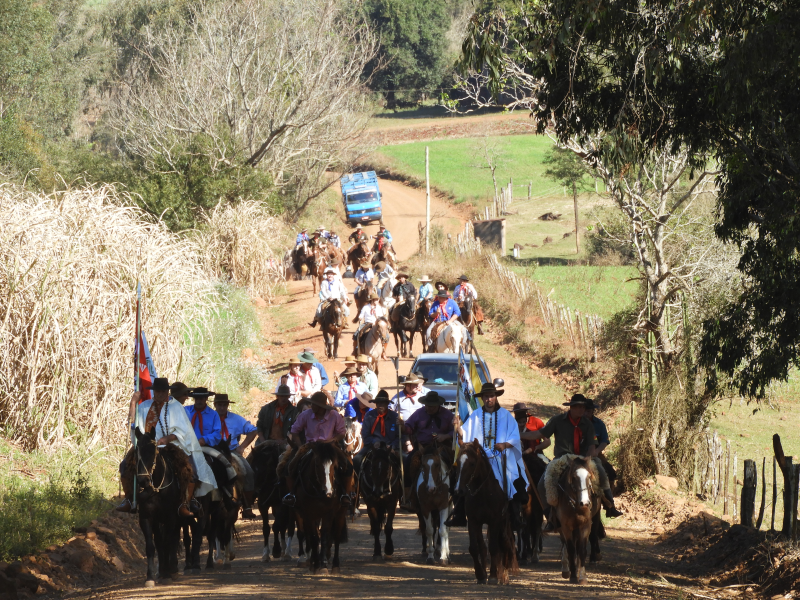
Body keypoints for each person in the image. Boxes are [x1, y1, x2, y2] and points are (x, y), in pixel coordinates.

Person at [521, 394, 622, 531]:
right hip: (562, 459)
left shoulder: (587, 424)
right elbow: (539, 434)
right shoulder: (557, 420)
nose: (582, 410)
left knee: (602, 472)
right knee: (542, 484)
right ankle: (550, 517)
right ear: (572, 408)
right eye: (579, 407)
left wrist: (587, 459)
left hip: (583, 458)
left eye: (583, 407)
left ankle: (610, 505)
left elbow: (592, 445)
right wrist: (518, 435)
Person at [118, 378, 217, 517]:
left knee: (191, 470)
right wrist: (133, 403)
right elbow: (133, 423)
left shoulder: (175, 407)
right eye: (157, 391)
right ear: (154, 391)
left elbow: (183, 430)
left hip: (172, 445)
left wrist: (167, 438)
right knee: (124, 465)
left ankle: (186, 501)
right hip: (147, 446)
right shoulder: (145, 406)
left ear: (167, 391)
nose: (160, 394)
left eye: (163, 391)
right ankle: (129, 498)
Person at [450, 382, 528, 527]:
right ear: (483, 398)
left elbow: (515, 437)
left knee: (513, 479)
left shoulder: (506, 415)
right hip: (480, 456)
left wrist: (504, 445)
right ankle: (459, 512)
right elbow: (465, 433)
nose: (489, 399)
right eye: (486, 396)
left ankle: (515, 515)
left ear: (495, 397)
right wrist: (457, 426)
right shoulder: (476, 415)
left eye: (491, 396)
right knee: (460, 475)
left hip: (502, 456)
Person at [281, 391, 351, 507]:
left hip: (330, 446)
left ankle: (345, 494)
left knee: (347, 465)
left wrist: (333, 441)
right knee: (290, 465)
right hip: (310, 446)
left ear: (321, 406)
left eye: (314, 404)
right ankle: (292, 493)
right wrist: (299, 446)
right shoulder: (305, 415)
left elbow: (341, 432)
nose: (311, 406)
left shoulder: (334, 415)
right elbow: (295, 431)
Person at [404, 391, 455, 506]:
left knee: (454, 464)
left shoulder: (447, 415)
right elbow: (409, 427)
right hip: (423, 448)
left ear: (438, 405)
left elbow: (455, 430)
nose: (429, 408)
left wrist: (446, 436)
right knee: (408, 463)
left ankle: (453, 492)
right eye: (427, 405)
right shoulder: (419, 413)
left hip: (442, 447)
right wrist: (403, 426)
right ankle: (409, 495)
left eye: (432, 406)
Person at [214, 393, 258, 519]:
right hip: (213, 449)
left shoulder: (236, 419)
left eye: (224, 405)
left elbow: (253, 430)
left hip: (231, 451)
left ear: (228, 405)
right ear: (215, 405)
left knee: (247, 472)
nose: (222, 407)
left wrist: (242, 446)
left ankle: (247, 506)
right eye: (219, 405)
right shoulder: (210, 417)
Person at [353, 390, 399, 474]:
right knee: (356, 460)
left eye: (383, 403)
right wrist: (374, 443)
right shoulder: (369, 415)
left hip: (390, 447)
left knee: (405, 458)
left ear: (387, 404)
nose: (380, 405)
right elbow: (365, 434)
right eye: (378, 403)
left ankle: (406, 485)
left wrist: (393, 446)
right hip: (372, 446)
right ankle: (357, 484)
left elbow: (399, 436)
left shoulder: (395, 417)